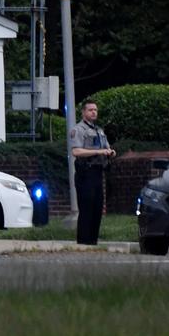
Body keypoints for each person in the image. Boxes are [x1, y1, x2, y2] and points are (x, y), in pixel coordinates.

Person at [70, 100, 116, 244]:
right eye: (90, 110)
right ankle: (83, 242)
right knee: (86, 208)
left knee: (97, 208)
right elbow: (76, 151)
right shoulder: (78, 130)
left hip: (98, 172)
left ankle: (93, 241)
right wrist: (97, 151)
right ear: (83, 112)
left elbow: (106, 148)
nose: (94, 112)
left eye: (95, 110)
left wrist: (110, 152)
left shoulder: (99, 131)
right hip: (85, 173)